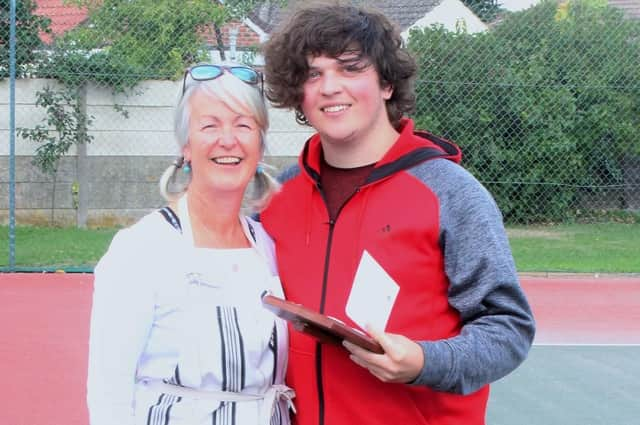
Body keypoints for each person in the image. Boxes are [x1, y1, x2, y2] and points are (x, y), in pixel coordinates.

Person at [260, 3, 536, 425]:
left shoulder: (452, 194)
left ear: (387, 83)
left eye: (350, 68)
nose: (330, 86)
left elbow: (509, 328)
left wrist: (426, 361)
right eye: (313, 74)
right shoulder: (278, 196)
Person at [87, 63, 294, 425]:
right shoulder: (141, 250)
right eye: (209, 125)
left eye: (244, 125)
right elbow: (109, 393)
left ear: (260, 147)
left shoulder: (270, 249)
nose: (228, 140)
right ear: (186, 146)